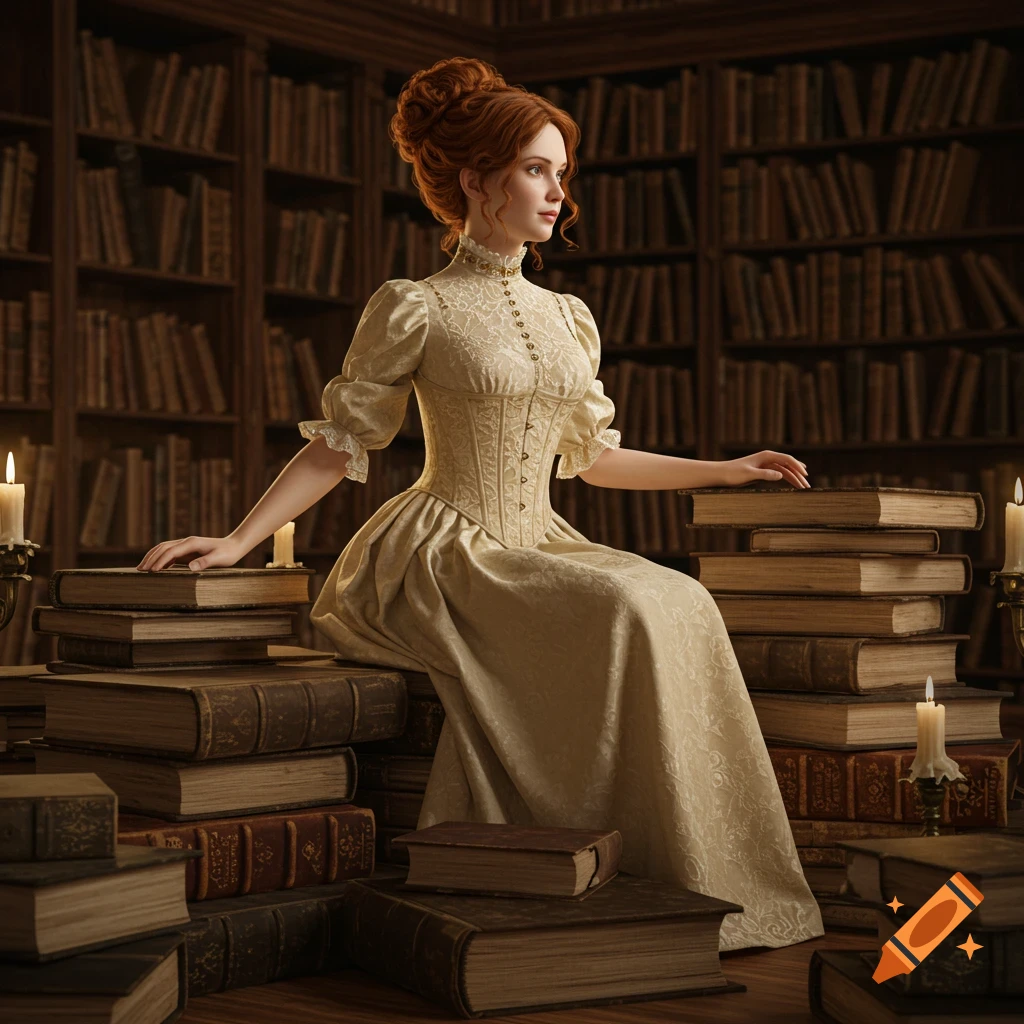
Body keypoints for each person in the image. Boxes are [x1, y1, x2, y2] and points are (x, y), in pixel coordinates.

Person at [138, 56, 824, 953]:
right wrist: (238, 540)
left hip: (542, 538)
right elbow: (342, 442)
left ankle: (697, 879)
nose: (555, 191)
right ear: (475, 179)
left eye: (560, 172)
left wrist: (727, 469)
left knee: (677, 595)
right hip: (445, 549)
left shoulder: (567, 314)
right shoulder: (416, 306)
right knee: (626, 602)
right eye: (536, 169)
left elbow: (595, 458)